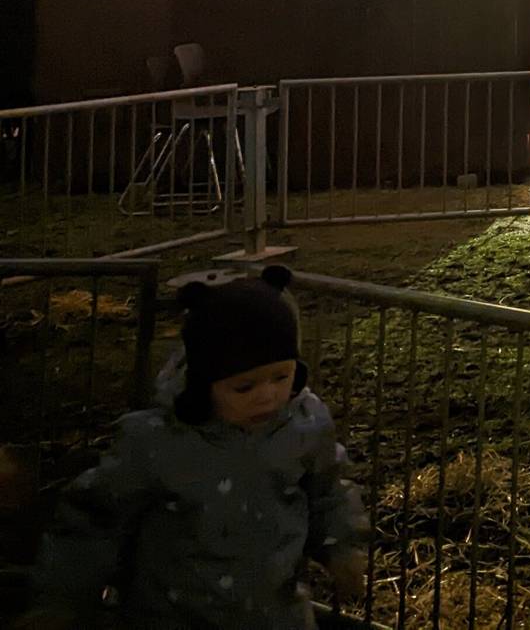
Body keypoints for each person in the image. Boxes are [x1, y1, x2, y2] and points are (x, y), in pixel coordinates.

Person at [36, 267, 367, 629]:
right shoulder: (155, 442)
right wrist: (63, 597)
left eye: (282, 376)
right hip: (172, 617)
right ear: (203, 383)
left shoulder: (303, 424)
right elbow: (95, 520)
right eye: (244, 387)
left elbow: (328, 490)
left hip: (275, 615)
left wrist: (341, 545)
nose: (269, 395)